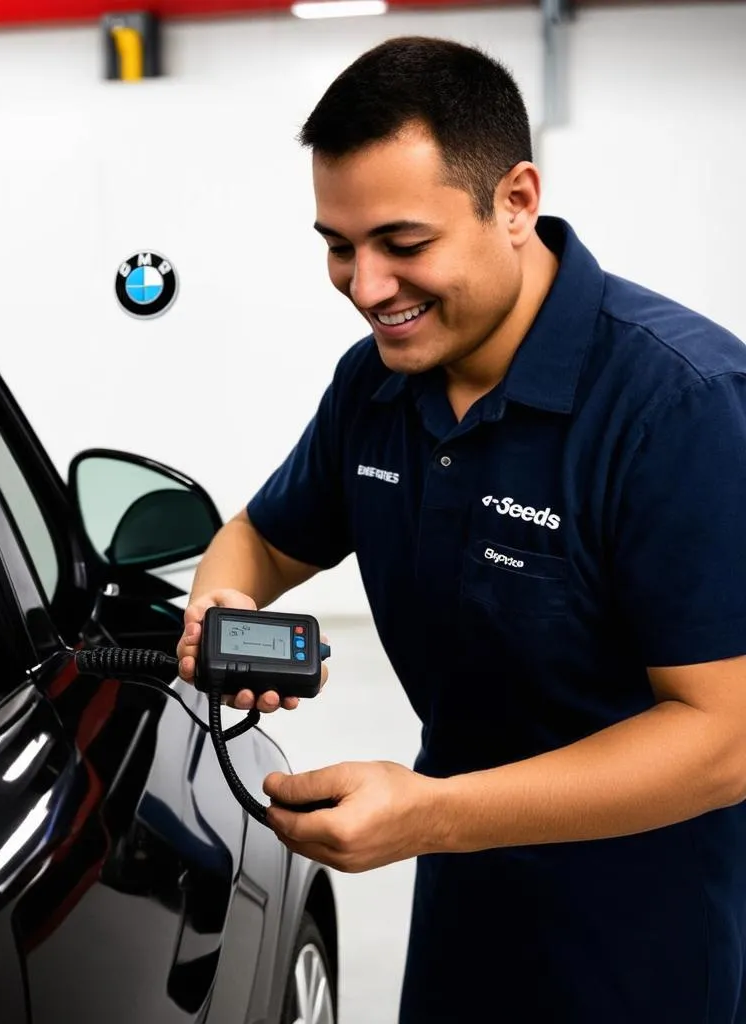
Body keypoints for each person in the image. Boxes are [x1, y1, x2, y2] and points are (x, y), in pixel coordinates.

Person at [175, 33, 746, 1024]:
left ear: (515, 201)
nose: (364, 287)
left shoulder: (678, 407)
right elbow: (263, 540)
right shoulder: (377, 388)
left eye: (402, 243)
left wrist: (433, 811)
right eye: (336, 245)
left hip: (646, 922)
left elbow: (723, 736)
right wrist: (220, 602)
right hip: (464, 891)